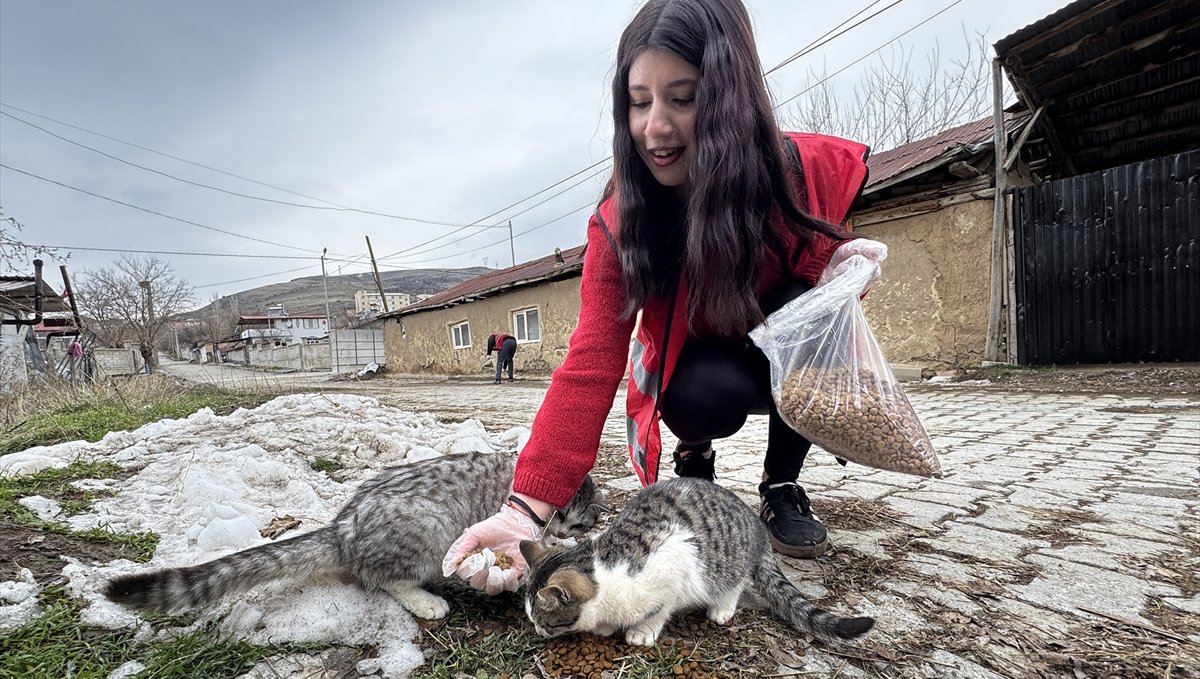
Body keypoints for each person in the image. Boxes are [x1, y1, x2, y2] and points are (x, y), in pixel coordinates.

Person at [444, 0, 888, 593]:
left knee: (804, 312)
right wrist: (525, 510)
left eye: (683, 98)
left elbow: (814, 261)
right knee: (696, 393)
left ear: (731, 98)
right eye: (639, 101)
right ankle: (694, 455)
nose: (655, 126)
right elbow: (591, 360)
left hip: (777, 351)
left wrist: (837, 268)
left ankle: (781, 485)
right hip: (700, 367)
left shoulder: (794, 174)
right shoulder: (621, 221)